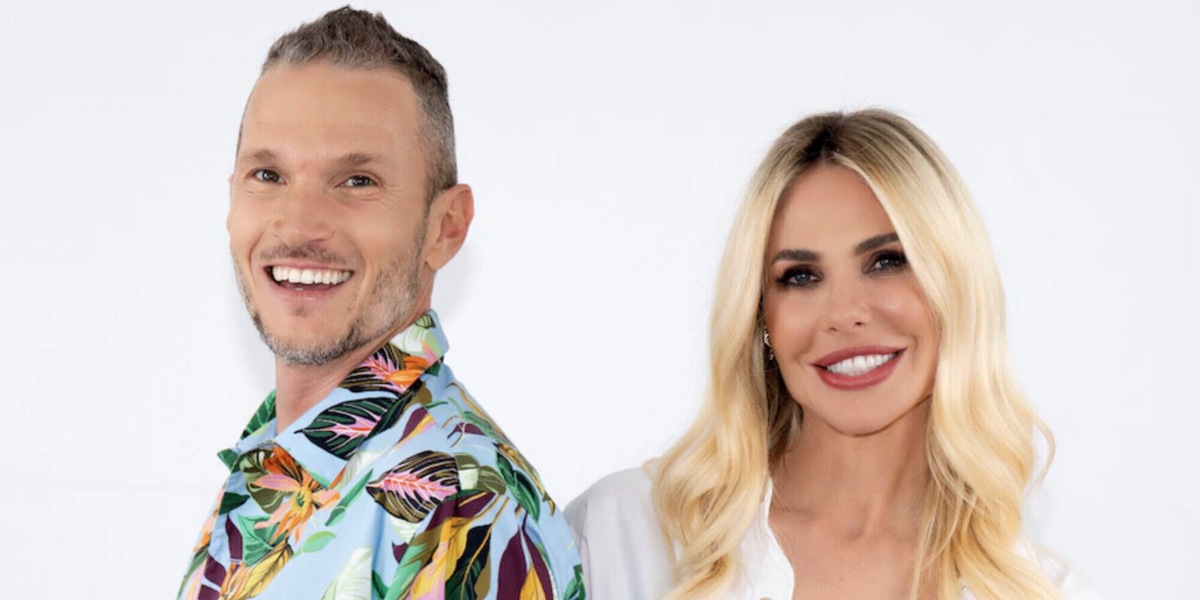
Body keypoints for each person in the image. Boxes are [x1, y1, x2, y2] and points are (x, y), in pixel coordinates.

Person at [566, 110, 1100, 599]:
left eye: (887, 261)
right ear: (761, 318)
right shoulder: (620, 537)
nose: (844, 314)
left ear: (956, 288)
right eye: (800, 276)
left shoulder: (1040, 591)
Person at [177, 8, 584, 599]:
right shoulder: (281, 463)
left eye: (357, 181)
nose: (299, 224)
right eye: (268, 175)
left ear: (446, 227)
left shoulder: (457, 509)